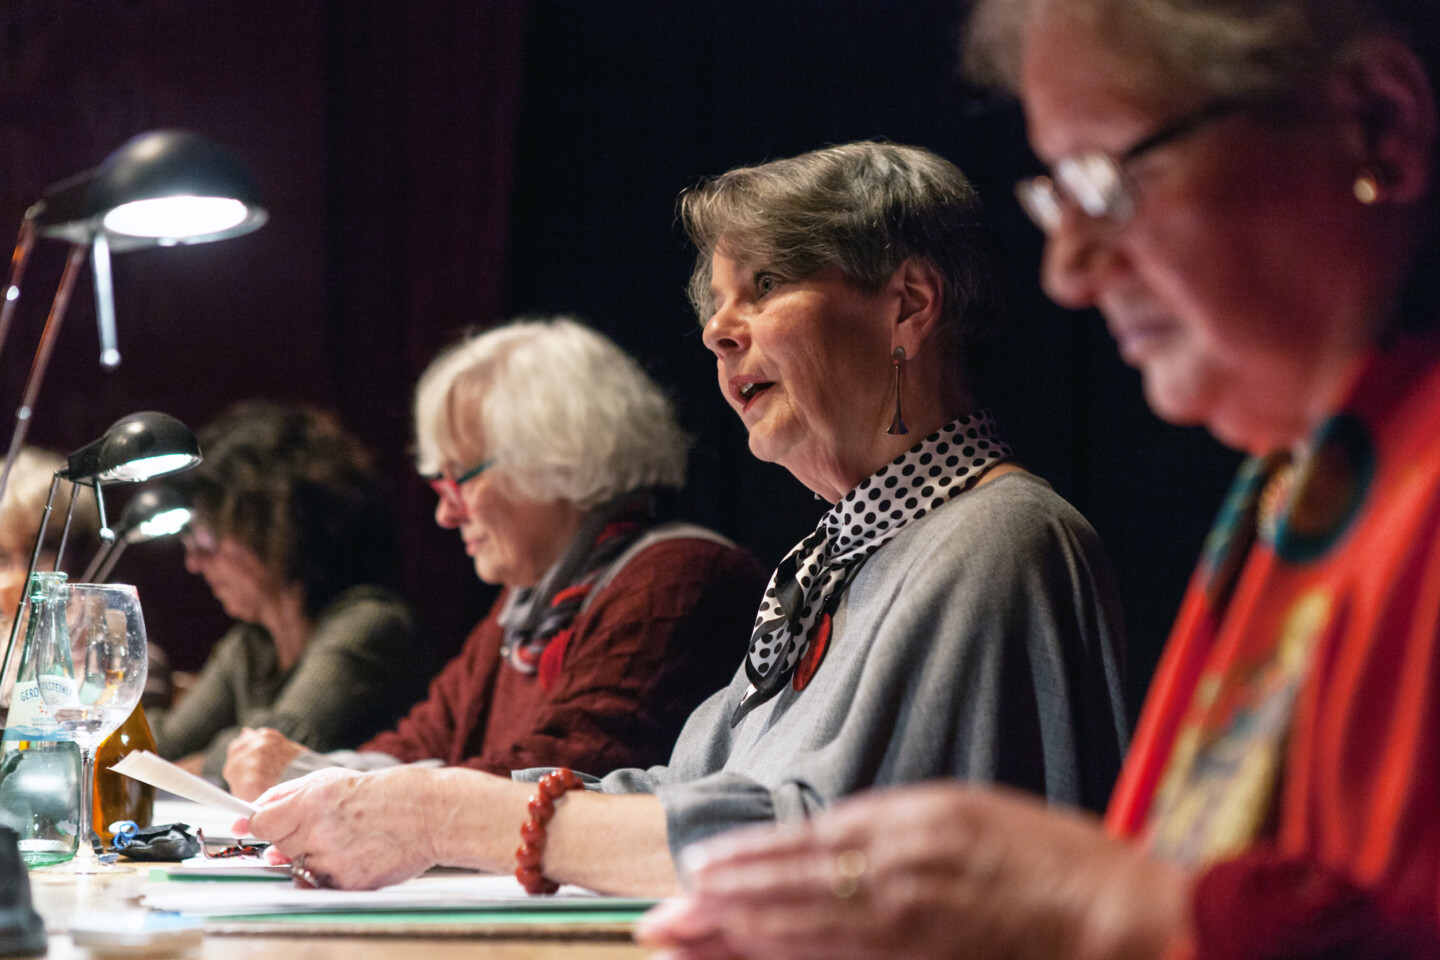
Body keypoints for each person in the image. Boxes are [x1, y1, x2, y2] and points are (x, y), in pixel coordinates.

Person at [638, 3, 1440, 958]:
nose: (1070, 270)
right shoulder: (1295, 491)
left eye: (1108, 179)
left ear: (1379, 131)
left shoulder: (1007, 534)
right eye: (1059, 199)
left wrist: (1098, 906)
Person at [236, 143, 1129, 897]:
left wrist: (445, 815)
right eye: (715, 305)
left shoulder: (997, 538)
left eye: (766, 285)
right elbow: (691, 792)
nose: (717, 332)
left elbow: (837, 866)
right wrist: (382, 803)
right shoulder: (839, 556)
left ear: (908, 306)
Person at [222, 317, 765, 800]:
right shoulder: (527, 606)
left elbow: (559, 776)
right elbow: (421, 741)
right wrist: (316, 775)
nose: (446, 515)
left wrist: (320, 779)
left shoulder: (676, 579)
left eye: (460, 477)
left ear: (557, 453)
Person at [150, 401, 426, 781]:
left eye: (206, 538)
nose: (193, 563)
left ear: (277, 527)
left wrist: (195, 765)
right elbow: (160, 746)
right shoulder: (252, 646)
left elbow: (280, 745)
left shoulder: (370, 621)